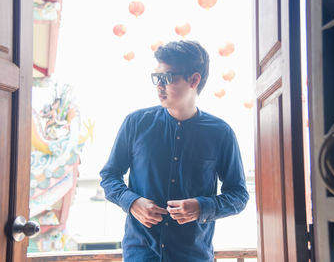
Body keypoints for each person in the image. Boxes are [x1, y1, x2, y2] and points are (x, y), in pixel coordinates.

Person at [100, 40, 249, 262]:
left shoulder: (221, 133)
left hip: (193, 256)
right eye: (156, 78)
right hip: (140, 254)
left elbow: (238, 196)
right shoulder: (135, 123)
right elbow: (109, 176)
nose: (159, 85)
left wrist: (202, 207)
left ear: (194, 79)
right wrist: (131, 202)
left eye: (168, 78)